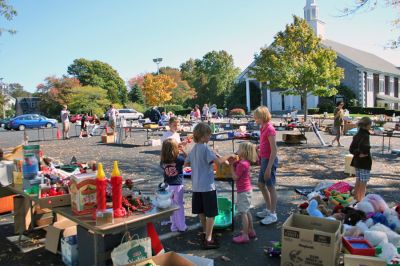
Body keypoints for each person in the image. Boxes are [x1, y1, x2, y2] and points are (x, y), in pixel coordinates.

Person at [184, 122, 233, 249]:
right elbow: (219, 162)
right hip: (207, 186)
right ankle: (209, 239)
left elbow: (186, 163)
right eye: (208, 134)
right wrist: (230, 155)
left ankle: (206, 232)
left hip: (196, 186)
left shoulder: (194, 148)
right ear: (202, 136)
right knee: (211, 214)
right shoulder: (206, 148)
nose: (210, 136)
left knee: (201, 211)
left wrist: (201, 164)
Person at [254, 106, 279, 225]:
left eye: (257, 118)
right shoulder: (262, 127)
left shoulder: (270, 129)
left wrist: (269, 167)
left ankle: (273, 214)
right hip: (264, 159)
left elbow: (274, 150)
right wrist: (259, 147)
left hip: (270, 161)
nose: (255, 120)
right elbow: (265, 143)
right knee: (260, 184)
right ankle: (269, 209)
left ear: (263, 117)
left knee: (270, 186)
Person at [228, 142, 258, 244]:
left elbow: (235, 177)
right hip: (247, 190)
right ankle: (251, 230)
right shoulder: (244, 162)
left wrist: (231, 166)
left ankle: (245, 235)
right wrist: (235, 160)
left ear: (244, 152)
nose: (237, 150)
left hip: (243, 192)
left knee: (243, 212)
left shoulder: (242, 164)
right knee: (247, 210)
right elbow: (238, 164)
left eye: (239, 149)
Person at [160, 139, 188, 232]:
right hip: (177, 186)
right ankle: (181, 226)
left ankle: (174, 226)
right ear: (175, 149)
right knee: (179, 206)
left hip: (167, 186)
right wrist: (183, 150)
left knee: (172, 206)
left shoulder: (163, 160)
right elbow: (189, 160)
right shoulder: (179, 159)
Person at [349, 117, 372, 202]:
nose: (371, 126)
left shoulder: (357, 134)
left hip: (356, 162)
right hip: (364, 162)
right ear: (366, 126)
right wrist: (362, 153)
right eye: (370, 124)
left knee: (358, 180)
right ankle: (361, 200)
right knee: (363, 182)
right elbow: (365, 148)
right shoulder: (365, 135)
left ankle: (355, 199)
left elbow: (351, 149)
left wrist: (357, 153)